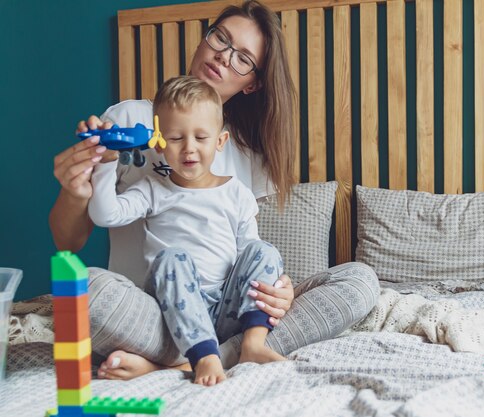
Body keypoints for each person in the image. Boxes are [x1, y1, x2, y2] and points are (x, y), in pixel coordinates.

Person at [50, 0, 380, 380]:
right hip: (151, 315)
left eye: (242, 58)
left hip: (229, 314)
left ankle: (184, 361)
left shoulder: (249, 161)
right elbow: (69, 242)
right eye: (220, 39)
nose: (223, 57)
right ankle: (199, 355)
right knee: (80, 287)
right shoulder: (128, 121)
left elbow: (252, 253)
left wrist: (280, 292)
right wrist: (78, 190)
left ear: (253, 82)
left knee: (359, 279)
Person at [88, 75, 286, 386]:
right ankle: (203, 357)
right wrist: (105, 162)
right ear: (159, 143)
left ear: (219, 142)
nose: (189, 149)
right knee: (171, 258)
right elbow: (105, 214)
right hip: (170, 313)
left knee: (264, 250)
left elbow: (252, 260)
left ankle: (252, 345)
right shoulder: (153, 189)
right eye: (176, 138)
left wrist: (278, 286)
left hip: (225, 309)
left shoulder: (237, 194)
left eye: (201, 138)